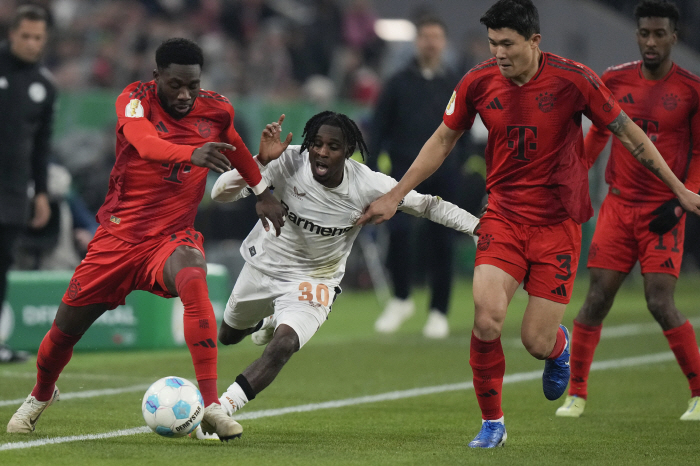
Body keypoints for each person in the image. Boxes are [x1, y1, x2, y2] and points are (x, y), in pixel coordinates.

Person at [357, 0, 700, 448]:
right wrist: (395, 195)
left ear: (534, 41)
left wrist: (679, 188)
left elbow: (630, 134)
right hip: (502, 216)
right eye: (493, 43)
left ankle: (558, 348)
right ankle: (492, 423)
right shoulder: (477, 81)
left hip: (557, 226)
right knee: (486, 318)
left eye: (508, 44)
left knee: (535, 341)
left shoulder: (574, 79)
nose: (499, 53)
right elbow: (442, 139)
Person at [6, 38, 287, 440]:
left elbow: (237, 147)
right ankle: (41, 394)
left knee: (194, 274)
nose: (185, 94)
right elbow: (144, 143)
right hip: (117, 239)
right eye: (175, 85)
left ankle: (211, 406)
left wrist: (262, 192)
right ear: (157, 77)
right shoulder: (134, 100)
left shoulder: (217, 109)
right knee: (62, 333)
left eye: (193, 85)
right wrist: (190, 154)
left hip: (170, 238)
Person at [194, 111, 479, 438]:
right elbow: (220, 194)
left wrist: (477, 226)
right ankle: (265, 322)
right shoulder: (287, 160)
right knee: (228, 335)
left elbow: (428, 205)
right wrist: (259, 161)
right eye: (316, 144)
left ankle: (222, 409)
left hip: (316, 280)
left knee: (284, 344)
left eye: (333, 146)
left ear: (348, 151)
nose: (322, 152)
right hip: (264, 267)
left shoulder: (368, 184)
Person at [556, 0, 700, 421]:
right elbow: (599, 135)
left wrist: (682, 203)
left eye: (659, 34)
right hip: (618, 207)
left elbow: (698, 154)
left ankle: (698, 393)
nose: (651, 41)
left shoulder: (691, 90)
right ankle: (576, 394)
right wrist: (576, 175)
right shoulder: (614, 79)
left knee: (660, 301)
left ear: (674, 37)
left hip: (663, 209)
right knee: (596, 298)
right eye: (645, 33)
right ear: (636, 35)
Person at [370, 16, 465, 339]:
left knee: (442, 242)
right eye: (425, 36)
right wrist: (372, 170)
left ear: (444, 42)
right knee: (397, 233)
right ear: (416, 41)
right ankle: (401, 298)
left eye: (436, 36)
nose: (430, 42)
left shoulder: (454, 84)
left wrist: (464, 165)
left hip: (445, 174)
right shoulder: (397, 83)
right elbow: (378, 128)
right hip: (402, 172)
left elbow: (466, 130)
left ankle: (439, 312)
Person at [0, 5, 55, 364]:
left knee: (2, 264)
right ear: (11, 35)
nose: (32, 43)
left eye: (38, 37)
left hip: (13, 191)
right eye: (26, 36)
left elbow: (41, 146)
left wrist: (42, 193)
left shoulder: (44, 86)